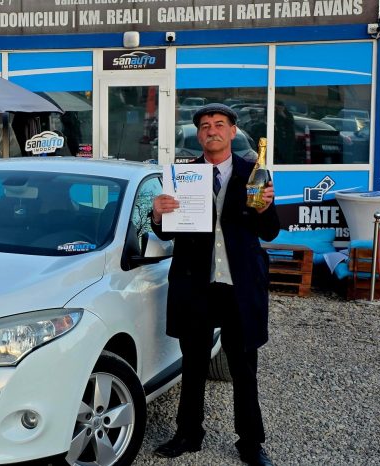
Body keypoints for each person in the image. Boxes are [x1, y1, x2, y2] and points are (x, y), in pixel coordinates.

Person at [150, 103, 279, 466]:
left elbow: (270, 231)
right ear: (199, 135)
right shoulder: (183, 176)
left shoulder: (254, 173)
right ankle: (188, 434)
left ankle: (250, 442)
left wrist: (264, 209)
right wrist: (157, 214)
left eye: (219, 124)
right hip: (196, 287)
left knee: (243, 368)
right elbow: (167, 232)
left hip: (240, 288)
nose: (212, 130)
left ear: (233, 132)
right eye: (205, 126)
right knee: (193, 366)